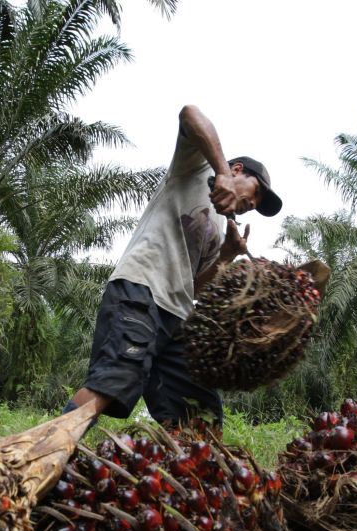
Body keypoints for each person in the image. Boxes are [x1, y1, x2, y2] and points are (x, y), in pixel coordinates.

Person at [63, 104, 283, 427]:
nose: (253, 204)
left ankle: (188, 461)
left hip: (177, 316)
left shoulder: (220, 228)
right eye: (257, 192)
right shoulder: (196, 168)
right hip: (141, 289)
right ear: (237, 170)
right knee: (113, 382)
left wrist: (226, 254)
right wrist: (220, 172)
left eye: (258, 205)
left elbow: (196, 288)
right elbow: (190, 114)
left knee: (200, 411)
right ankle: (44, 451)